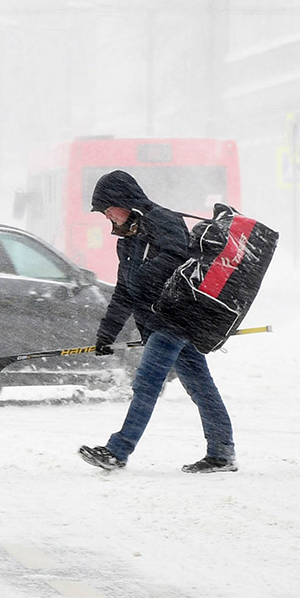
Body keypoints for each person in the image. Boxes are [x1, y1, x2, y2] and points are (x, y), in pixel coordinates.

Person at [78, 170, 237, 474]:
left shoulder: (163, 220)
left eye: (108, 208)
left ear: (124, 201)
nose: (107, 216)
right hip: (157, 322)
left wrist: (142, 278)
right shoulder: (127, 239)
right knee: (201, 387)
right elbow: (123, 291)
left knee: (146, 384)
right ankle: (222, 453)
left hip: (174, 318)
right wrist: (107, 333)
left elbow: (177, 257)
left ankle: (118, 451)